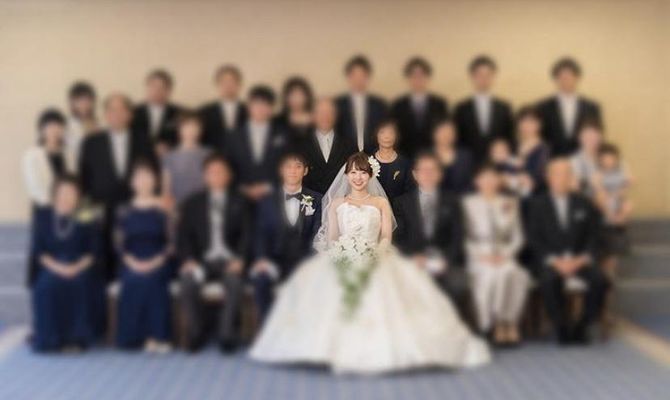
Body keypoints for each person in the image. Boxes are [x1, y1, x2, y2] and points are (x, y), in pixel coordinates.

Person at [250, 152, 490, 374]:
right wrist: (343, 252)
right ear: (346, 175)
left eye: (363, 172)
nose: (358, 177)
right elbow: (332, 238)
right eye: (353, 172)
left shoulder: (380, 203)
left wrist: (374, 252)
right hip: (342, 256)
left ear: (370, 175)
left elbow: (386, 236)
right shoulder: (336, 203)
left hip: (376, 256)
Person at [528, 158, 608, 344]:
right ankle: (561, 326)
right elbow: (534, 239)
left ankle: (583, 324)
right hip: (551, 261)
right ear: (548, 177)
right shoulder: (536, 204)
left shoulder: (584, 203)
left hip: (579, 259)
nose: (563, 178)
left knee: (600, 280)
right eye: (558, 174)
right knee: (549, 280)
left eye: (567, 174)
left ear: (572, 177)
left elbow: (594, 236)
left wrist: (580, 260)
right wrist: (555, 262)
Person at [177, 154, 250, 353]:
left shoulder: (241, 201)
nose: (216, 176)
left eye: (221, 171)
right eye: (212, 172)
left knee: (234, 282)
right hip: (201, 261)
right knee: (187, 282)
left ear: (229, 175)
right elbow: (183, 236)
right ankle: (196, 333)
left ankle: (226, 334)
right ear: (205, 176)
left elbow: (248, 234)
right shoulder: (192, 203)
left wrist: (240, 259)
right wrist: (189, 260)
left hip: (230, 260)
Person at [78, 93, 155, 280]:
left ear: (130, 114)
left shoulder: (144, 140)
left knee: (132, 261)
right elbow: (83, 181)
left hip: (134, 209)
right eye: (112, 109)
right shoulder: (91, 142)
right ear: (105, 114)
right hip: (100, 209)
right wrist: (84, 216)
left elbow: (153, 174)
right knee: (102, 260)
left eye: (122, 109)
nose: (117, 114)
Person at [392, 152, 470, 318]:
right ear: (415, 174)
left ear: (440, 174)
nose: (427, 174)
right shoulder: (402, 202)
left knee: (457, 283)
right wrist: (413, 257)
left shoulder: (452, 201)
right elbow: (398, 238)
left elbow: (458, 236)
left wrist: (446, 260)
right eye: (423, 170)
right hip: (413, 261)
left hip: (444, 262)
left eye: (432, 170)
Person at [250, 153, 323, 321]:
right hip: (274, 259)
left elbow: (318, 232)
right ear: (281, 170)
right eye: (288, 166)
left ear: (305, 171)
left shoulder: (316, 199)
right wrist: (262, 258)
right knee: (261, 280)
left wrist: (310, 262)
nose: (293, 171)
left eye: (298, 166)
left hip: (303, 260)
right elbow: (260, 233)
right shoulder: (267, 200)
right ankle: (267, 328)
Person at [462, 165, 529, 346]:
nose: (489, 182)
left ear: (499, 180)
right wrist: (482, 256)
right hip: (480, 255)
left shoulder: (509, 202)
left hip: (504, 254)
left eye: (493, 177)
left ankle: (508, 322)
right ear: (477, 181)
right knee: (494, 274)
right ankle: (492, 323)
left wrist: (506, 255)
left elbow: (518, 236)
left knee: (515, 273)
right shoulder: (468, 203)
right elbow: (464, 237)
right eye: (484, 177)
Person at [31, 176, 97, 352]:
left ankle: (75, 340)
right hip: (51, 265)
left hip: (79, 264)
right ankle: (49, 339)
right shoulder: (43, 215)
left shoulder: (85, 214)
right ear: (55, 193)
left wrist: (76, 267)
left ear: (78, 195)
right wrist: (59, 268)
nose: (67, 196)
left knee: (79, 283)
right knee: (47, 285)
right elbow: (39, 252)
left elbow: (92, 251)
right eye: (63, 191)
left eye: (71, 192)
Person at [115, 161, 172, 352]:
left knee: (153, 279)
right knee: (133, 279)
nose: (144, 181)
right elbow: (118, 243)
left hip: (160, 258)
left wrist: (156, 261)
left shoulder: (164, 207)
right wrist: (132, 262)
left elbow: (172, 242)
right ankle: (133, 338)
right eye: (139, 177)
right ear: (132, 182)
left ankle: (158, 336)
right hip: (131, 259)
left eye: (148, 176)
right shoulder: (123, 209)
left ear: (155, 181)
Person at [22, 109, 72, 286]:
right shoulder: (32, 155)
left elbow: (74, 182)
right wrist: (57, 204)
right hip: (44, 208)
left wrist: (68, 204)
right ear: (41, 130)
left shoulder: (68, 153)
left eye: (58, 126)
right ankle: (39, 286)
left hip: (68, 210)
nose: (54, 130)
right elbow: (34, 187)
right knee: (43, 249)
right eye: (49, 126)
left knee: (64, 247)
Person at [225, 85, 286, 203]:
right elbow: (227, 165)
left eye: (265, 105)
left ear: (271, 108)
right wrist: (243, 188)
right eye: (257, 104)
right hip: (238, 197)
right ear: (249, 106)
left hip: (274, 196)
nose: (260, 109)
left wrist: (268, 187)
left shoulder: (282, 134)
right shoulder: (233, 135)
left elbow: (287, 163)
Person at [536, 57, 602, 155]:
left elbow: (597, 137)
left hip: (583, 160)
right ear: (555, 79)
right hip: (551, 159)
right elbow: (539, 137)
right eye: (562, 77)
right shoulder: (542, 107)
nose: (566, 80)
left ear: (577, 78)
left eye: (569, 77)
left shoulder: (592, 107)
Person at [454, 55, 514, 163]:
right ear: (472, 77)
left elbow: (509, 138)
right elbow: (457, 139)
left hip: (498, 162)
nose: (484, 79)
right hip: (468, 162)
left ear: (493, 77)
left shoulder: (504, 107)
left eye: (488, 75)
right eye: (480, 75)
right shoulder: (461, 108)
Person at [390, 57, 448, 158]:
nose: (418, 79)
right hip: (404, 157)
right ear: (408, 78)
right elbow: (393, 134)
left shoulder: (439, 104)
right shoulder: (398, 105)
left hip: (433, 157)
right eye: (414, 76)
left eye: (421, 75)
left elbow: (445, 133)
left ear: (427, 78)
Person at [297, 97, 357, 194]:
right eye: (321, 113)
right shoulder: (300, 144)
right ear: (313, 116)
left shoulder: (350, 144)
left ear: (336, 116)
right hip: (309, 200)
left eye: (329, 113)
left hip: (342, 199)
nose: (325, 117)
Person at [592, 143, 633, 277]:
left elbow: (629, 183)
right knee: (601, 198)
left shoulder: (620, 172)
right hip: (603, 209)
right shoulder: (597, 174)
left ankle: (618, 221)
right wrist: (611, 195)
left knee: (628, 204)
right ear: (600, 159)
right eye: (605, 158)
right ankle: (612, 219)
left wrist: (618, 193)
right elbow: (599, 191)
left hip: (617, 207)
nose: (609, 161)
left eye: (612, 158)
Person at [336, 55, 388, 153]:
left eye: (362, 75)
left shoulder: (379, 105)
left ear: (368, 77)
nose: (358, 80)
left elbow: (385, 132)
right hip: (345, 156)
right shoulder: (338, 104)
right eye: (354, 75)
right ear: (348, 77)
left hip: (374, 155)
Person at [162, 111, 211, 208]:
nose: (191, 130)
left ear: (201, 130)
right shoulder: (169, 156)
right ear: (179, 129)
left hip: (204, 205)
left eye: (195, 126)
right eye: (186, 126)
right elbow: (166, 189)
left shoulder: (209, 154)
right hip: (178, 205)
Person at [132, 69, 182, 155]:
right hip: (140, 157)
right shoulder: (134, 112)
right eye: (153, 87)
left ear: (169, 91)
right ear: (147, 87)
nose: (157, 91)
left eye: (161, 87)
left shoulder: (179, 113)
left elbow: (184, 138)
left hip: (170, 157)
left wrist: (169, 147)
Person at [199, 64, 247, 150]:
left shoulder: (249, 110)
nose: (228, 85)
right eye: (224, 81)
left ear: (239, 84)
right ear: (217, 84)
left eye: (232, 81)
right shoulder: (204, 111)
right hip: (213, 155)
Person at [372, 120, 414, 200]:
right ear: (376, 135)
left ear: (396, 136)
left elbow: (409, 193)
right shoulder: (366, 161)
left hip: (399, 207)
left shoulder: (405, 164)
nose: (387, 136)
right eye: (382, 132)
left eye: (391, 133)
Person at [432, 118, 475, 194]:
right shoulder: (425, 156)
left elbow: (471, 183)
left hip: (461, 198)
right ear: (434, 134)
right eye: (442, 131)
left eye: (450, 132)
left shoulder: (465, 156)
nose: (446, 135)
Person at [515, 106, 550, 197]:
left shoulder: (543, 149)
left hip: (536, 195)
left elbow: (540, 177)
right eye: (523, 121)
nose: (526, 125)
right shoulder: (513, 145)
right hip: (512, 193)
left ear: (539, 124)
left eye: (531, 121)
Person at [65, 81, 99, 164]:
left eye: (87, 100)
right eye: (79, 100)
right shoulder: (67, 125)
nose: (84, 104)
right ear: (72, 103)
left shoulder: (100, 124)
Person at [273, 76, 314, 143]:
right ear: (286, 98)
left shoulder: (316, 120)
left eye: (300, 95)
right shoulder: (278, 121)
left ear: (307, 97)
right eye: (293, 95)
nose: (296, 99)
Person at [569, 120, 604, 197]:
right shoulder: (574, 160)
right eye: (587, 136)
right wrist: (590, 182)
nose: (591, 139)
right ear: (580, 137)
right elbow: (573, 186)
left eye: (595, 135)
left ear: (600, 136)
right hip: (585, 200)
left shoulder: (607, 155)